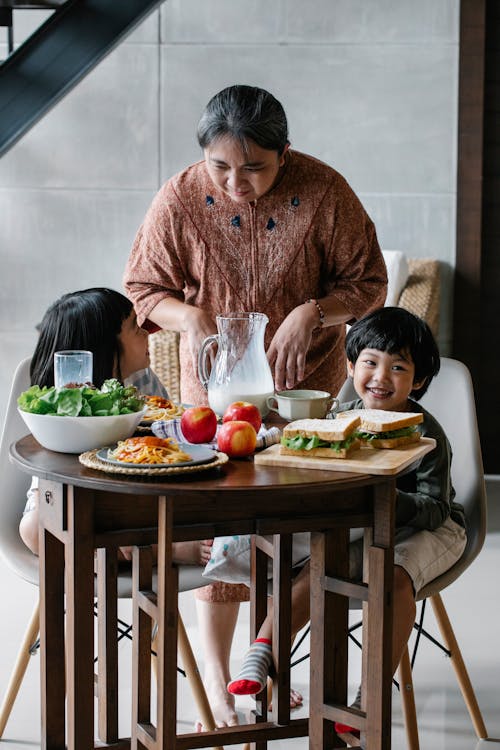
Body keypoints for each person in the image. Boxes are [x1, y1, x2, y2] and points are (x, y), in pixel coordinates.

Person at [123, 84, 388, 728]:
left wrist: (315, 312)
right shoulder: (182, 195)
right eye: (221, 167)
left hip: (303, 398)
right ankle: (221, 687)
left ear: (285, 154)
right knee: (227, 534)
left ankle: (266, 668)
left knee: (293, 534)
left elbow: (371, 283)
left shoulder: (325, 191)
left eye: (254, 168)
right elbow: (141, 288)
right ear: (202, 158)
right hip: (211, 397)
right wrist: (192, 318)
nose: (235, 183)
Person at [227, 307, 467, 746]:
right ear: (351, 367)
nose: (381, 376)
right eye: (370, 363)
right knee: (318, 565)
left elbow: (435, 508)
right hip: (363, 525)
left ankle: (365, 700)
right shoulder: (339, 419)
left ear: (417, 381)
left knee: (393, 581)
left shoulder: (425, 432)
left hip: (429, 529)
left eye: (398, 367)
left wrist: (391, 502)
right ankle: (261, 650)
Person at [19, 287, 212, 568]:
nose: (147, 332)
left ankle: (121, 551)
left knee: (157, 511)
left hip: (130, 499)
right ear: (105, 350)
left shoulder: (144, 383)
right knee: (32, 528)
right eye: (135, 327)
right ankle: (145, 552)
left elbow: (164, 443)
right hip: (69, 502)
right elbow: (48, 480)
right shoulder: (63, 403)